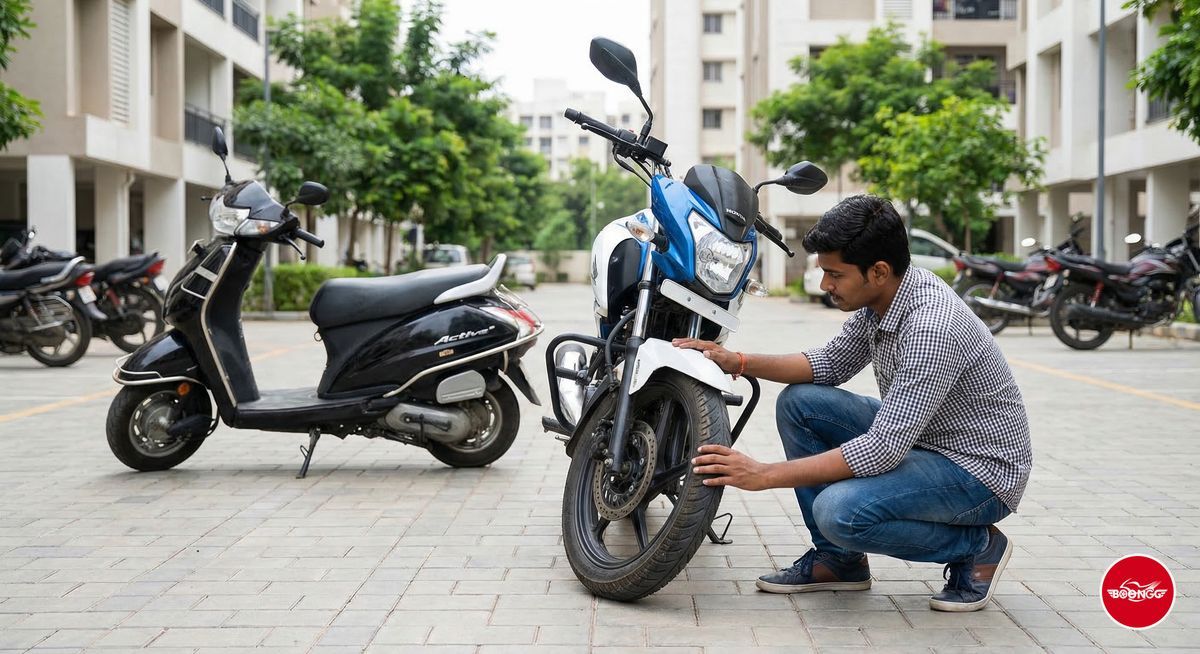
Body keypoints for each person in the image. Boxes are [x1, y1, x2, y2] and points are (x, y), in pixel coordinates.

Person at [673, 195, 1032, 612]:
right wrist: (740, 361)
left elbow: (881, 450)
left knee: (839, 512)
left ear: (878, 271)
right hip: (925, 440)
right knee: (801, 404)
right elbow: (828, 363)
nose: (826, 285)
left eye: (834, 274)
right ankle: (837, 562)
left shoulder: (932, 327)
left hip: (980, 473)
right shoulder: (886, 297)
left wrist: (765, 474)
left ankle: (977, 546)